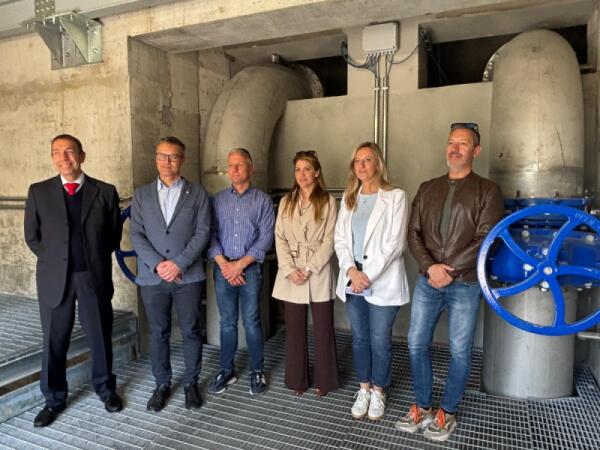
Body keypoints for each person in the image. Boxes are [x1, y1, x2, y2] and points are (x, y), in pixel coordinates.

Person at [395, 123, 504, 441]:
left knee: (459, 351)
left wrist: (449, 270)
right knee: (416, 344)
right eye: (451, 142)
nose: (454, 148)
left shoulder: (488, 190)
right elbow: (413, 233)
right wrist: (430, 267)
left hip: (465, 283)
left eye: (463, 143)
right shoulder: (428, 187)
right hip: (428, 279)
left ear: (476, 151)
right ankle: (423, 405)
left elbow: (487, 238)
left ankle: (448, 411)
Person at [24, 134, 123, 427]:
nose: (63, 158)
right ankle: (53, 399)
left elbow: (113, 235)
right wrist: (56, 259)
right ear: (52, 157)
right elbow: (32, 236)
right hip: (55, 279)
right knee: (54, 341)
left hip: (93, 276)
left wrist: (91, 259)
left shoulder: (105, 191)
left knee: (99, 336)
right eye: (57, 152)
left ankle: (106, 389)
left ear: (82, 156)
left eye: (69, 151)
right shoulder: (39, 192)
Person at [129, 136, 210, 412]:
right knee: (157, 332)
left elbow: (203, 232)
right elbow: (136, 234)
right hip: (153, 277)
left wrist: (179, 263)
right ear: (155, 159)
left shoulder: (197, 193)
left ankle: (191, 383)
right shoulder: (141, 195)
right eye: (162, 156)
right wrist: (158, 264)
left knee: (191, 331)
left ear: (182, 160)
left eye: (173, 156)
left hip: (187, 276)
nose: (167, 161)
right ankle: (161, 384)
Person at [334, 141, 409, 421]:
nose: (362, 165)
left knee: (379, 340)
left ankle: (379, 390)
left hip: (381, 279)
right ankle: (363, 388)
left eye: (367, 159)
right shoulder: (349, 197)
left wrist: (366, 276)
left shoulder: (396, 197)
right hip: (353, 278)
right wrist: (351, 271)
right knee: (359, 338)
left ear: (378, 163)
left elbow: (395, 244)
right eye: (357, 161)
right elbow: (340, 239)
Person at [207, 148, 275, 396]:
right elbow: (210, 234)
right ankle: (227, 370)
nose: (234, 170)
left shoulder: (262, 201)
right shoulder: (217, 200)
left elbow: (265, 238)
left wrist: (239, 265)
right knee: (227, 322)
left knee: (252, 321)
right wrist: (225, 265)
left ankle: (257, 370)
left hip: (250, 270)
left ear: (250, 168)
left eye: (240, 165)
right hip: (223, 269)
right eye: (230, 165)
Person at [272, 150, 339, 396]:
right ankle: (297, 380)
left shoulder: (328, 201)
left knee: (323, 328)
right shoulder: (286, 201)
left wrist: (310, 267)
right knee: (294, 329)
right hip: (291, 271)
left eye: (307, 169)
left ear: (317, 172)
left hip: (317, 270)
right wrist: (289, 269)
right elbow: (279, 236)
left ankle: (325, 380)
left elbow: (330, 240)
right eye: (298, 170)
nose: (301, 175)